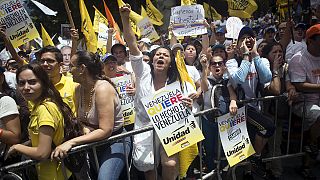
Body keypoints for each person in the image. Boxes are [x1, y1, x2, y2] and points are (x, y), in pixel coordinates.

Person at [120, 4, 193, 180]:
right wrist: (125, 17)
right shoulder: (142, 71)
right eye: (158, 55)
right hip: (144, 127)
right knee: (148, 166)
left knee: (170, 164)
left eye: (165, 55)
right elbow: (131, 43)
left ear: (170, 63)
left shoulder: (177, 82)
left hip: (169, 127)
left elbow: (186, 103)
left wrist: (187, 104)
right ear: (152, 60)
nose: (161, 57)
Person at [51, 51, 131, 180]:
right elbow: (80, 119)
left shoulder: (103, 89)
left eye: (72, 66)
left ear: (82, 68)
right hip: (94, 146)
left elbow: (105, 130)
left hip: (115, 142)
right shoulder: (78, 89)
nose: (69, 70)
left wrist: (71, 142)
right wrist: (83, 127)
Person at [9, 63, 73, 180]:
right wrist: (27, 144)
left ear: (43, 83)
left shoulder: (44, 109)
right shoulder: (39, 106)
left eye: (32, 82)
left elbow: (42, 153)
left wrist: (17, 147)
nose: (26, 87)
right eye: (21, 83)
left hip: (54, 175)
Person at [226, 26, 275, 177]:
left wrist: (254, 54)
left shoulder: (262, 61)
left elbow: (267, 78)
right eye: (243, 39)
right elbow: (238, 79)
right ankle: (255, 160)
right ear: (238, 43)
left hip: (257, 107)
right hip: (241, 108)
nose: (247, 41)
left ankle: (249, 172)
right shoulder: (232, 63)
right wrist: (246, 57)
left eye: (250, 38)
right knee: (268, 127)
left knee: (252, 140)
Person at [288, 24, 320, 178]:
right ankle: (311, 149)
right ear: (311, 41)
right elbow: (298, 84)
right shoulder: (299, 59)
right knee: (318, 115)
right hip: (303, 101)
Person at [37, 46, 78, 113]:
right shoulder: (35, 87)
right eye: (42, 61)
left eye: (50, 61)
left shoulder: (73, 85)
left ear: (60, 64)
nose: (45, 64)